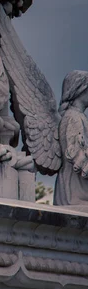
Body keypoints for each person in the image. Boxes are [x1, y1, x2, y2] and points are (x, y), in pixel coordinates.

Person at [54, 70, 88, 206]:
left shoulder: (79, 117)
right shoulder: (73, 117)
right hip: (74, 193)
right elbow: (77, 154)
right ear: (81, 90)